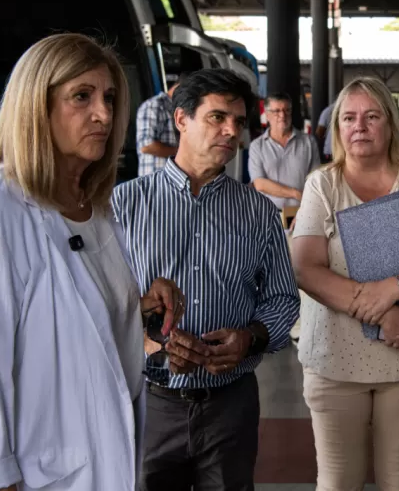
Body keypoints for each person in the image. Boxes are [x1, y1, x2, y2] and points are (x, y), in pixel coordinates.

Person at [0, 33, 185, 491]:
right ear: (36, 106)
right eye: (82, 96)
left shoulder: (97, 209)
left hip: (107, 463)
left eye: (110, 97)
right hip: (38, 474)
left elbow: (67, 317)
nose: (104, 113)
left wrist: (136, 307)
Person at [112, 68, 300, 491]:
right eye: (217, 117)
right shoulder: (125, 205)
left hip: (230, 404)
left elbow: (283, 298)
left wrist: (250, 338)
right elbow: (103, 298)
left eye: (238, 121)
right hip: (149, 401)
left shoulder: (258, 212)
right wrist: (152, 342)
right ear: (181, 120)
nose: (231, 131)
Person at [290, 77, 399, 491]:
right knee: (337, 483)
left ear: (390, 124)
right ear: (338, 129)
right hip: (334, 362)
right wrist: (383, 312)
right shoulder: (323, 185)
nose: (359, 126)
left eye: (371, 116)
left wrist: (396, 288)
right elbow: (305, 267)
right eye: (349, 118)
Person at [249, 92, 320, 209]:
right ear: (267, 115)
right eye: (277, 111)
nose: (282, 115)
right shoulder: (257, 146)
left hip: (301, 213)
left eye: (287, 110)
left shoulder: (308, 142)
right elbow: (259, 184)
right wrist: (295, 193)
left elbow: (316, 180)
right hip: (268, 216)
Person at [136, 71, 191, 176]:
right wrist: (183, 152)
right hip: (155, 183)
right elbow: (147, 146)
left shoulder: (181, 110)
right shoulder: (154, 106)